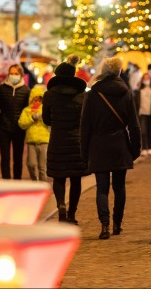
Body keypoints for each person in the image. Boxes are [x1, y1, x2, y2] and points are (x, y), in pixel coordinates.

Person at [80, 57, 141, 240]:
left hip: (98, 145)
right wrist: (135, 149)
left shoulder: (93, 94)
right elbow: (134, 125)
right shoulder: (125, 92)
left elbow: (85, 127)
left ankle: (104, 224)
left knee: (102, 188)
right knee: (119, 187)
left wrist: (84, 152)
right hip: (120, 145)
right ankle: (117, 223)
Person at [43, 55, 88, 224]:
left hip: (57, 140)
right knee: (76, 178)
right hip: (76, 141)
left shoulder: (49, 95)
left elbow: (46, 119)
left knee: (58, 176)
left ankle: (61, 205)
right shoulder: (81, 96)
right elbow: (84, 119)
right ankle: (72, 213)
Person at [0, 64, 31, 180]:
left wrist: (24, 125)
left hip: (19, 129)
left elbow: (27, 110)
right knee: (5, 157)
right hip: (3, 128)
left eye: (16, 73)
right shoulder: (2, 88)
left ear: (21, 75)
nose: (13, 76)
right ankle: (6, 181)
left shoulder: (26, 90)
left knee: (18, 158)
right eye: (11, 73)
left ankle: (17, 181)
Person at [19, 85, 50, 182]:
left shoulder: (44, 109)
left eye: (39, 99)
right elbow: (22, 124)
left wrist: (43, 118)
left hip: (44, 141)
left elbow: (50, 123)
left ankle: (42, 184)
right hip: (31, 141)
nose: (37, 102)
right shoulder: (27, 110)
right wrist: (32, 118)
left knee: (42, 167)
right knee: (31, 164)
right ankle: (34, 180)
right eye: (35, 99)